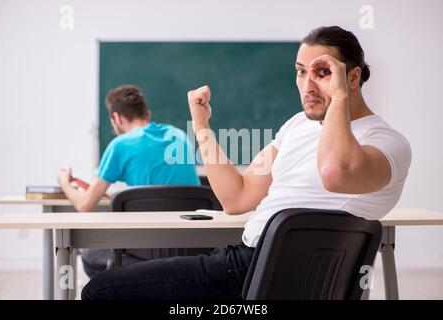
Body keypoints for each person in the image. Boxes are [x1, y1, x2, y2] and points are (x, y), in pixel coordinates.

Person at [81, 26, 411, 300]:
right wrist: (201, 127)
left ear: (352, 78)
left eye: (322, 73)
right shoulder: (297, 126)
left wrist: (338, 98)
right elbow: (236, 198)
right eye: (300, 72)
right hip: (246, 267)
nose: (307, 85)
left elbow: (335, 173)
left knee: (101, 291)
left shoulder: (387, 143)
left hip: (261, 273)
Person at [57, 84, 200, 277]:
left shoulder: (120, 145)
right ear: (147, 115)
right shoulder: (179, 137)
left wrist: (64, 181)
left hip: (143, 249)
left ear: (116, 117)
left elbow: (84, 205)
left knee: (91, 256)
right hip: (191, 247)